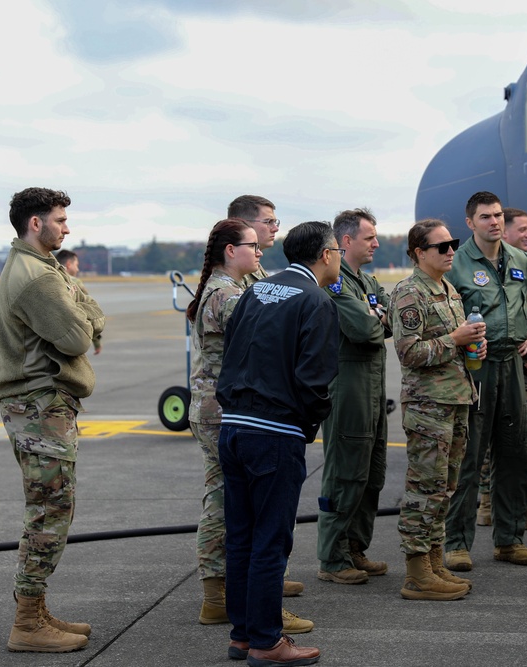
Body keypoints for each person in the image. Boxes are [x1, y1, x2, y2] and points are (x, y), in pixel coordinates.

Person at [215, 221, 341, 665]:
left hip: (233, 426)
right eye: (337, 251)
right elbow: (316, 380)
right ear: (326, 255)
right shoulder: (316, 300)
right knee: (271, 540)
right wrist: (305, 426)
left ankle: (245, 635)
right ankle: (268, 642)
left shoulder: (255, 291)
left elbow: (229, 354)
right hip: (274, 431)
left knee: (242, 537)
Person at [185, 219, 313, 635]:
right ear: (228, 251)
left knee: (232, 504)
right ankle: (222, 597)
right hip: (225, 408)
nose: (260, 253)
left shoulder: (234, 288)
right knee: (228, 505)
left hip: (224, 404)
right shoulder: (227, 295)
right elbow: (271, 331)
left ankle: (239, 593)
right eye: (252, 246)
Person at [0, 188, 105, 652]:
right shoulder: (38, 278)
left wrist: (83, 312)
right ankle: (26, 622)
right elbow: (79, 335)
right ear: (35, 224)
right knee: (49, 513)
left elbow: (91, 314)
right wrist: (84, 317)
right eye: (59, 220)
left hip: (45, 405)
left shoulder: (46, 267)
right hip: (39, 406)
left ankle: (36, 608)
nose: (67, 227)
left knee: (54, 508)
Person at [443, 191, 527, 572]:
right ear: (470, 222)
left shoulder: (521, 259)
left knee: (515, 453)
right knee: (469, 457)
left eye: (498, 215)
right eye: (486, 217)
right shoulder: (455, 263)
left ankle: (509, 539)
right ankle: (456, 543)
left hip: (512, 365)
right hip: (475, 368)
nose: (495, 222)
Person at [389, 219, 485, 600]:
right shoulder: (409, 293)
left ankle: (433, 562)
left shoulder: (448, 290)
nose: (450, 251)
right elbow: (409, 353)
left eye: (452, 245)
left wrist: (471, 345)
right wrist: (454, 338)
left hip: (456, 398)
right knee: (424, 488)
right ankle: (416, 573)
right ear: (419, 253)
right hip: (428, 404)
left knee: (445, 487)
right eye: (442, 246)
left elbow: (453, 344)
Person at [227, 194, 305, 599]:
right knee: (230, 509)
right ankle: (224, 594)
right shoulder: (228, 286)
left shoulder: (259, 280)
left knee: (258, 512)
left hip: (252, 407)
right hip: (236, 410)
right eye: (269, 221)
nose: (276, 228)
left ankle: (260, 585)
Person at [316, 208, 391, 584]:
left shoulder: (367, 282)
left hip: (373, 387)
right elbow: (364, 328)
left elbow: (388, 319)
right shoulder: (335, 283)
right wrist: (373, 315)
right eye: (369, 237)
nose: (376, 243)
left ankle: (355, 547)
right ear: (346, 242)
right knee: (345, 471)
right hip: (349, 386)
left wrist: (376, 314)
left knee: (372, 473)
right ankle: (332, 557)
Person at [474, 208, 527, 531]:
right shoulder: (478, 267)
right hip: (490, 363)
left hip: (521, 366)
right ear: (504, 233)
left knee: (525, 438)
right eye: (522, 229)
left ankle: (525, 503)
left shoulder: (525, 264)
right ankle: (486, 502)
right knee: (487, 437)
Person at [55, 249, 102, 354]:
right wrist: (97, 341)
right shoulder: (75, 282)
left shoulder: (51, 278)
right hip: (71, 337)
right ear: (68, 264)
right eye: (76, 265)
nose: (78, 269)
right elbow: (88, 312)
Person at [228, 194, 280, 283]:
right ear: (243, 224)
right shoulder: (233, 272)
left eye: (275, 222)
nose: (276, 228)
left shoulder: (250, 265)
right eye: (269, 222)